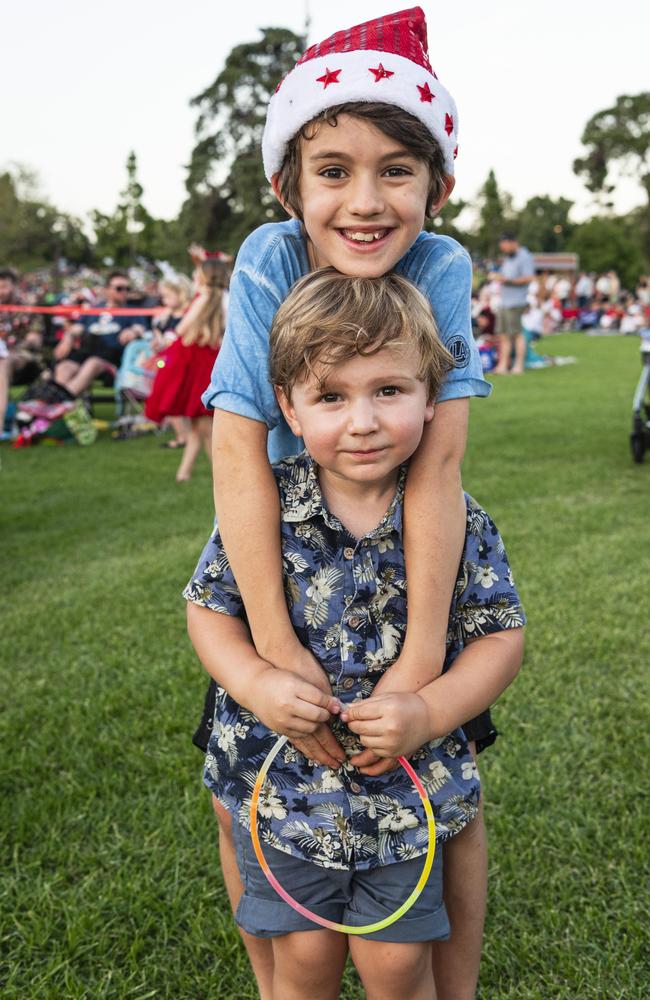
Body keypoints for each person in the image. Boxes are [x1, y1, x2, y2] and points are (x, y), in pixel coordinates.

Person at [193, 9, 498, 998]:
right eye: (332, 170)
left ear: (435, 183)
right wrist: (271, 652)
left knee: (444, 798)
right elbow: (237, 449)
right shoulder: (271, 259)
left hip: (392, 558)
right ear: (290, 184)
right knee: (243, 774)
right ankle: (276, 980)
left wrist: (418, 663)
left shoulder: (441, 266)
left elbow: (439, 464)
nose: (362, 201)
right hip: (284, 544)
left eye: (394, 170)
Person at [186, 269, 525, 1000]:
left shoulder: (457, 519)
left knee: (398, 965)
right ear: (290, 407)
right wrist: (255, 682)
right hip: (283, 797)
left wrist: (431, 711)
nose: (363, 421)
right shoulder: (265, 505)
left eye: (389, 391)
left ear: (433, 396)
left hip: (407, 798)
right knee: (302, 957)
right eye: (332, 396)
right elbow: (210, 608)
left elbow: (501, 637)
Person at [145, 258, 229, 482]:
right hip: (207, 361)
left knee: (203, 425)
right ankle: (185, 473)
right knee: (198, 424)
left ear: (205, 276)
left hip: (193, 362)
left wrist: (166, 340)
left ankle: (220, 476)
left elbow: (182, 327)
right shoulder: (225, 299)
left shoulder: (204, 298)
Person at [53, 271, 148, 396]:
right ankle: (57, 405)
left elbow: (140, 328)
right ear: (107, 290)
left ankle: (60, 401)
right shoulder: (94, 309)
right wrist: (68, 338)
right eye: (119, 288)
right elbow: (77, 328)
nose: (124, 292)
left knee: (93, 363)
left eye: (127, 288)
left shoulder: (132, 311)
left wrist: (133, 331)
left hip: (112, 359)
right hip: (87, 353)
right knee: (64, 367)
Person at [149, 274, 193, 449]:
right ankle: (182, 436)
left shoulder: (188, 315)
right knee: (169, 400)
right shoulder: (164, 318)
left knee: (178, 399)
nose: (164, 299)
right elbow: (159, 337)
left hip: (184, 364)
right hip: (167, 362)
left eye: (167, 295)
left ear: (180, 293)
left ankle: (188, 437)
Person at [490, 233, 535, 375]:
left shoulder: (525, 256)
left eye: (504, 246)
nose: (503, 249)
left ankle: (519, 365)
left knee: (516, 334)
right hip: (504, 301)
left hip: (516, 302)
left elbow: (528, 278)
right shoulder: (508, 259)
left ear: (512, 242)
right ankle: (503, 365)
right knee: (503, 335)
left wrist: (506, 280)